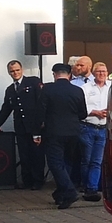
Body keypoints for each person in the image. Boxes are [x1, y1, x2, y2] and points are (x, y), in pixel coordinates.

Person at [38, 63, 89, 209]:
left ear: (54, 74)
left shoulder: (48, 89)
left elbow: (41, 111)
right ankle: (61, 194)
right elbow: (83, 113)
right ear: (70, 75)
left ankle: (69, 191)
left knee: (55, 163)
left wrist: (37, 130)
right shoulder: (77, 90)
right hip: (73, 131)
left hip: (54, 131)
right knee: (67, 162)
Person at [0, 59, 47, 189]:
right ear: (9, 73)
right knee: (24, 155)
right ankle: (27, 181)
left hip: (35, 127)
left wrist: (41, 125)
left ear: (21, 70)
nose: (15, 73)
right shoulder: (10, 89)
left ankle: (38, 182)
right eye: (12, 71)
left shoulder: (33, 82)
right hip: (21, 128)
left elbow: (41, 104)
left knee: (37, 155)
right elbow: (6, 109)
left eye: (17, 70)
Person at [80, 61, 112, 200]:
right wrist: (95, 112)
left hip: (103, 129)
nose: (102, 74)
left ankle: (92, 188)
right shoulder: (85, 88)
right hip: (88, 127)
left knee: (97, 161)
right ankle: (85, 185)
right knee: (86, 160)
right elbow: (81, 108)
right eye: (99, 71)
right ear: (93, 73)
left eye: (104, 71)